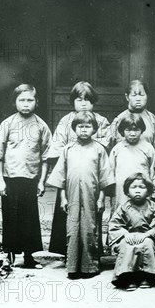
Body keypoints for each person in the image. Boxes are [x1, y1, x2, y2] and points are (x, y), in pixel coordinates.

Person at [0, 84, 52, 268]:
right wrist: (0, 180)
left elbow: (46, 157)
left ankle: (29, 257)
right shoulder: (7, 124)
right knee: (10, 217)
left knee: (29, 219)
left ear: (36, 102)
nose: (26, 104)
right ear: (15, 102)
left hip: (30, 180)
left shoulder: (41, 126)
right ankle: (9, 256)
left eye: (30, 100)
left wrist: (42, 182)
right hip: (10, 179)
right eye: (22, 100)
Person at [46, 111, 115, 278]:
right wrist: (62, 198)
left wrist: (101, 199)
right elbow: (61, 176)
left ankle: (89, 267)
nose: (84, 130)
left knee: (90, 229)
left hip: (91, 196)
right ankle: (73, 267)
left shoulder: (99, 149)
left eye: (88, 127)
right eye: (80, 127)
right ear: (74, 129)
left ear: (94, 129)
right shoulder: (67, 149)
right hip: (72, 196)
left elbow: (104, 176)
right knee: (73, 229)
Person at [47, 81, 111, 257]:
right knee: (66, 210)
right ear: (72, 101)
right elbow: (58, 145)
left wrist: (86, 146)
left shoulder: (102, 121)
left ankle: (91, 253)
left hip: (91, 172)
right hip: (70, 171)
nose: (83, 103)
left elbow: (104, 145)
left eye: (87, 100)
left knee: (91, 215)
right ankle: (67, 252)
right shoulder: (65, 121)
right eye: (78, 99)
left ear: (94, 101)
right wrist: (73, 149)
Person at [108, 173, 155, 290]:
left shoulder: (154, 207)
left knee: (147, 244)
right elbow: (115, 225)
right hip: (128, 237)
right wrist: (126, 234)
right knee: (127, 245)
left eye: (141, 187)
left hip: (147, 237)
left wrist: (147, 234)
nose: (137, 191)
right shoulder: (123, 207)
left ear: (148, 191)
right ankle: (128, 277)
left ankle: (146, 277)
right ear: (127, 191)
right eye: (133, 187)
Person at [109, 113, 155, 208]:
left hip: (142, 189)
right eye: (128, 130)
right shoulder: (117, 149)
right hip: (121, 193)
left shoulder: (148, 148)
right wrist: (111, 192)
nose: (132, 133)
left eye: (136, 130)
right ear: (122, 131)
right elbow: (111, 172)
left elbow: (153, 172)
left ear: (141, 130)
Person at [107, 79, 155, 151]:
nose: (138, 99)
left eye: (141, 95)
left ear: (147, 96)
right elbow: (112, 148)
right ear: (127, 97)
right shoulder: (118, 120)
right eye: (134, 95)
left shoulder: (153, 121)